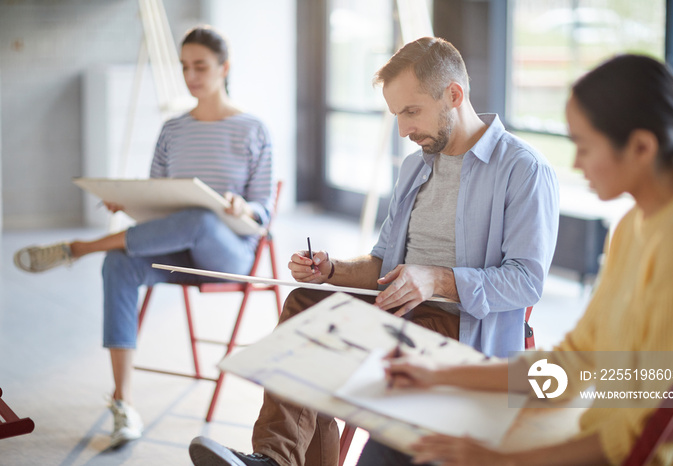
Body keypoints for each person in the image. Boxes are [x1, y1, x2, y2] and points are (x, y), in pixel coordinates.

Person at [189, 36, 558, 466]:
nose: (403, 129)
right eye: (396, 115)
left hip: (461, 330)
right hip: (399, 314)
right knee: (305, 305)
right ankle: (273, 459)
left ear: (454, 95)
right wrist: (331, 270)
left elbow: (527, 281)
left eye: (411, 111)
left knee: (324, 355)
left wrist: (435, 278)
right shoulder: (414, 167)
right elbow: (384, 262)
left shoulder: (523, 169)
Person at [367, 54, 673, 466]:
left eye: (584, 146)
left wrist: (502, 459)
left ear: (641, 147)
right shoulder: (634, 226)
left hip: (626, 456)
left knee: (411, 448)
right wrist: (440, 375)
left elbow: (651, 427)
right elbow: (573, 367)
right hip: (598, 439)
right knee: (398, 437)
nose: (576, 164)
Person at [13, 26, 274, 448]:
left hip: (227, 253)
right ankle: (123, 402)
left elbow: (264, 209)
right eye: (184, 67)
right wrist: (129, 202)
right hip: (172, 247)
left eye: (201, 66)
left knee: (200, 219)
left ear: (225, 68)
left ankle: (78, 249)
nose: (191, 76)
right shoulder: (173, 129)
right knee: (118, 262)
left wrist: (243, 207)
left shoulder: (253, 129)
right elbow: (159, 199)